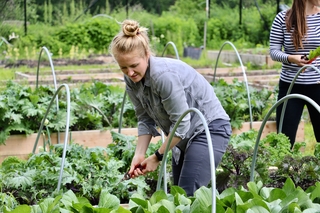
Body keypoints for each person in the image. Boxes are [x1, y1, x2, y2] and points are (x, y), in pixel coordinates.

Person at [109, 19, 231, 196]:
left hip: (208, 129)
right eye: (123, 67)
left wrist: (157, 157)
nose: (130, 72)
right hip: (181, 137)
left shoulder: (163, 76)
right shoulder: (131, 80)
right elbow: (144, 118)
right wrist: (139, 155)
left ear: (147, 55)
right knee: (178, 196)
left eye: (134, 65)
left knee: (188, 195)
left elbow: (182, 124)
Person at [269, 0, 320, 148]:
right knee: (284, 139)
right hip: (290, 86)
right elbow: (274, 52)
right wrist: (291, 58)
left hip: (318, 85)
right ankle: (283, 170)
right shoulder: (282, 19)